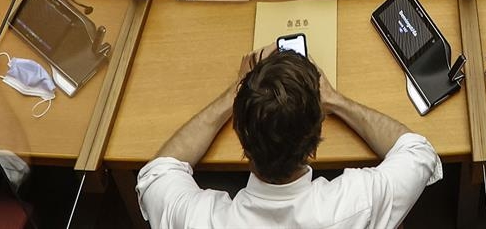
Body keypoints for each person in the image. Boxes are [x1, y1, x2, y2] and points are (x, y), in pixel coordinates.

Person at [137, 45, 438, 226]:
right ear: (317, 131)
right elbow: (417, 152)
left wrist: (233, 96)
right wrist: (335, 100)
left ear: (240, 134)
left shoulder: (200, 221)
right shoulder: (358, 203)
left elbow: (159, 173)